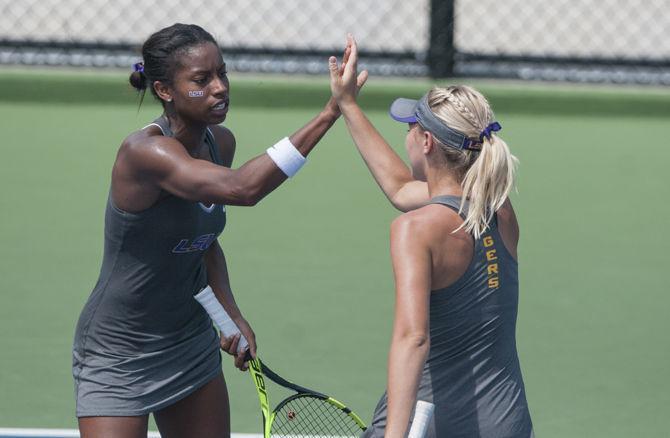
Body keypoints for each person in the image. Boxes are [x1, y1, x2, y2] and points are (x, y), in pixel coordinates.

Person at [72, 24, 365, 438]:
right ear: (164, 90)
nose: (219, 88)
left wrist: (229, 312)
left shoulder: (219, 143)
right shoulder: (144, 153)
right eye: (201, 80)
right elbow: (243, 189)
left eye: (222, 74)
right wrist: (331, 112)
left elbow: (203, 242)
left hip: (189, 343)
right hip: (119, 353)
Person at [329, 36, 533, 437]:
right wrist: (347, 103)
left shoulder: (415, 230)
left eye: (409, 126)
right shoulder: (500, 209)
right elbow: (401, 189)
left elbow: (412, 339)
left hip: (434, 427)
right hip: (508, 423)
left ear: (425, 142)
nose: (406, 134)